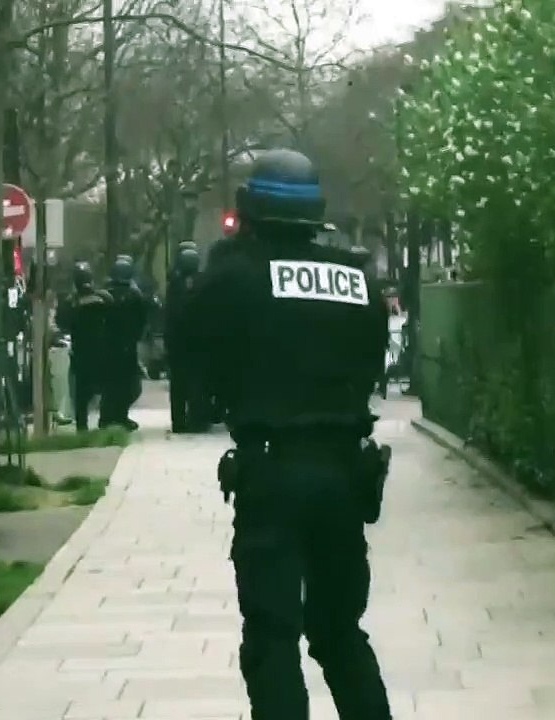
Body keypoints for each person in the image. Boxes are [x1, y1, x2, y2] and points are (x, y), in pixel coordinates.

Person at [186, 148, 391, 719]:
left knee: (273, 639)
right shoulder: (355, 277)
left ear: (250, 211)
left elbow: (191, 352)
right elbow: (372, 361)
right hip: (345, 473)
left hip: (272, 472)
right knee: (340, 632)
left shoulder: (234, 275)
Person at [54, 261, 112, 432]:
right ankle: (105, 422)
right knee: (105, 388)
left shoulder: (71, 302)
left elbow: (62, 323)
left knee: (81, 394)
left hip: (80, 352)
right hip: (101, 350)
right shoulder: (103, 298)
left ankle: (82, 426)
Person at [100, 255, 148, 430]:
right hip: (127, 347)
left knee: (110, 384)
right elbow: (142, 320)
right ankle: (120, 416)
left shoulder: (105, 294)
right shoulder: (135, 295)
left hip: (109, 346)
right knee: (126, 385)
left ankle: (107, 417)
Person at [166, 246, 208, 433]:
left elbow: (169, 313)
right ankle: (197, 420)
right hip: (198, 343)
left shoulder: (174, 285)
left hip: (178, 343)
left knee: (178, 385)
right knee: (197, 383)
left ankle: (179, 421)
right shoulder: (203, 283)